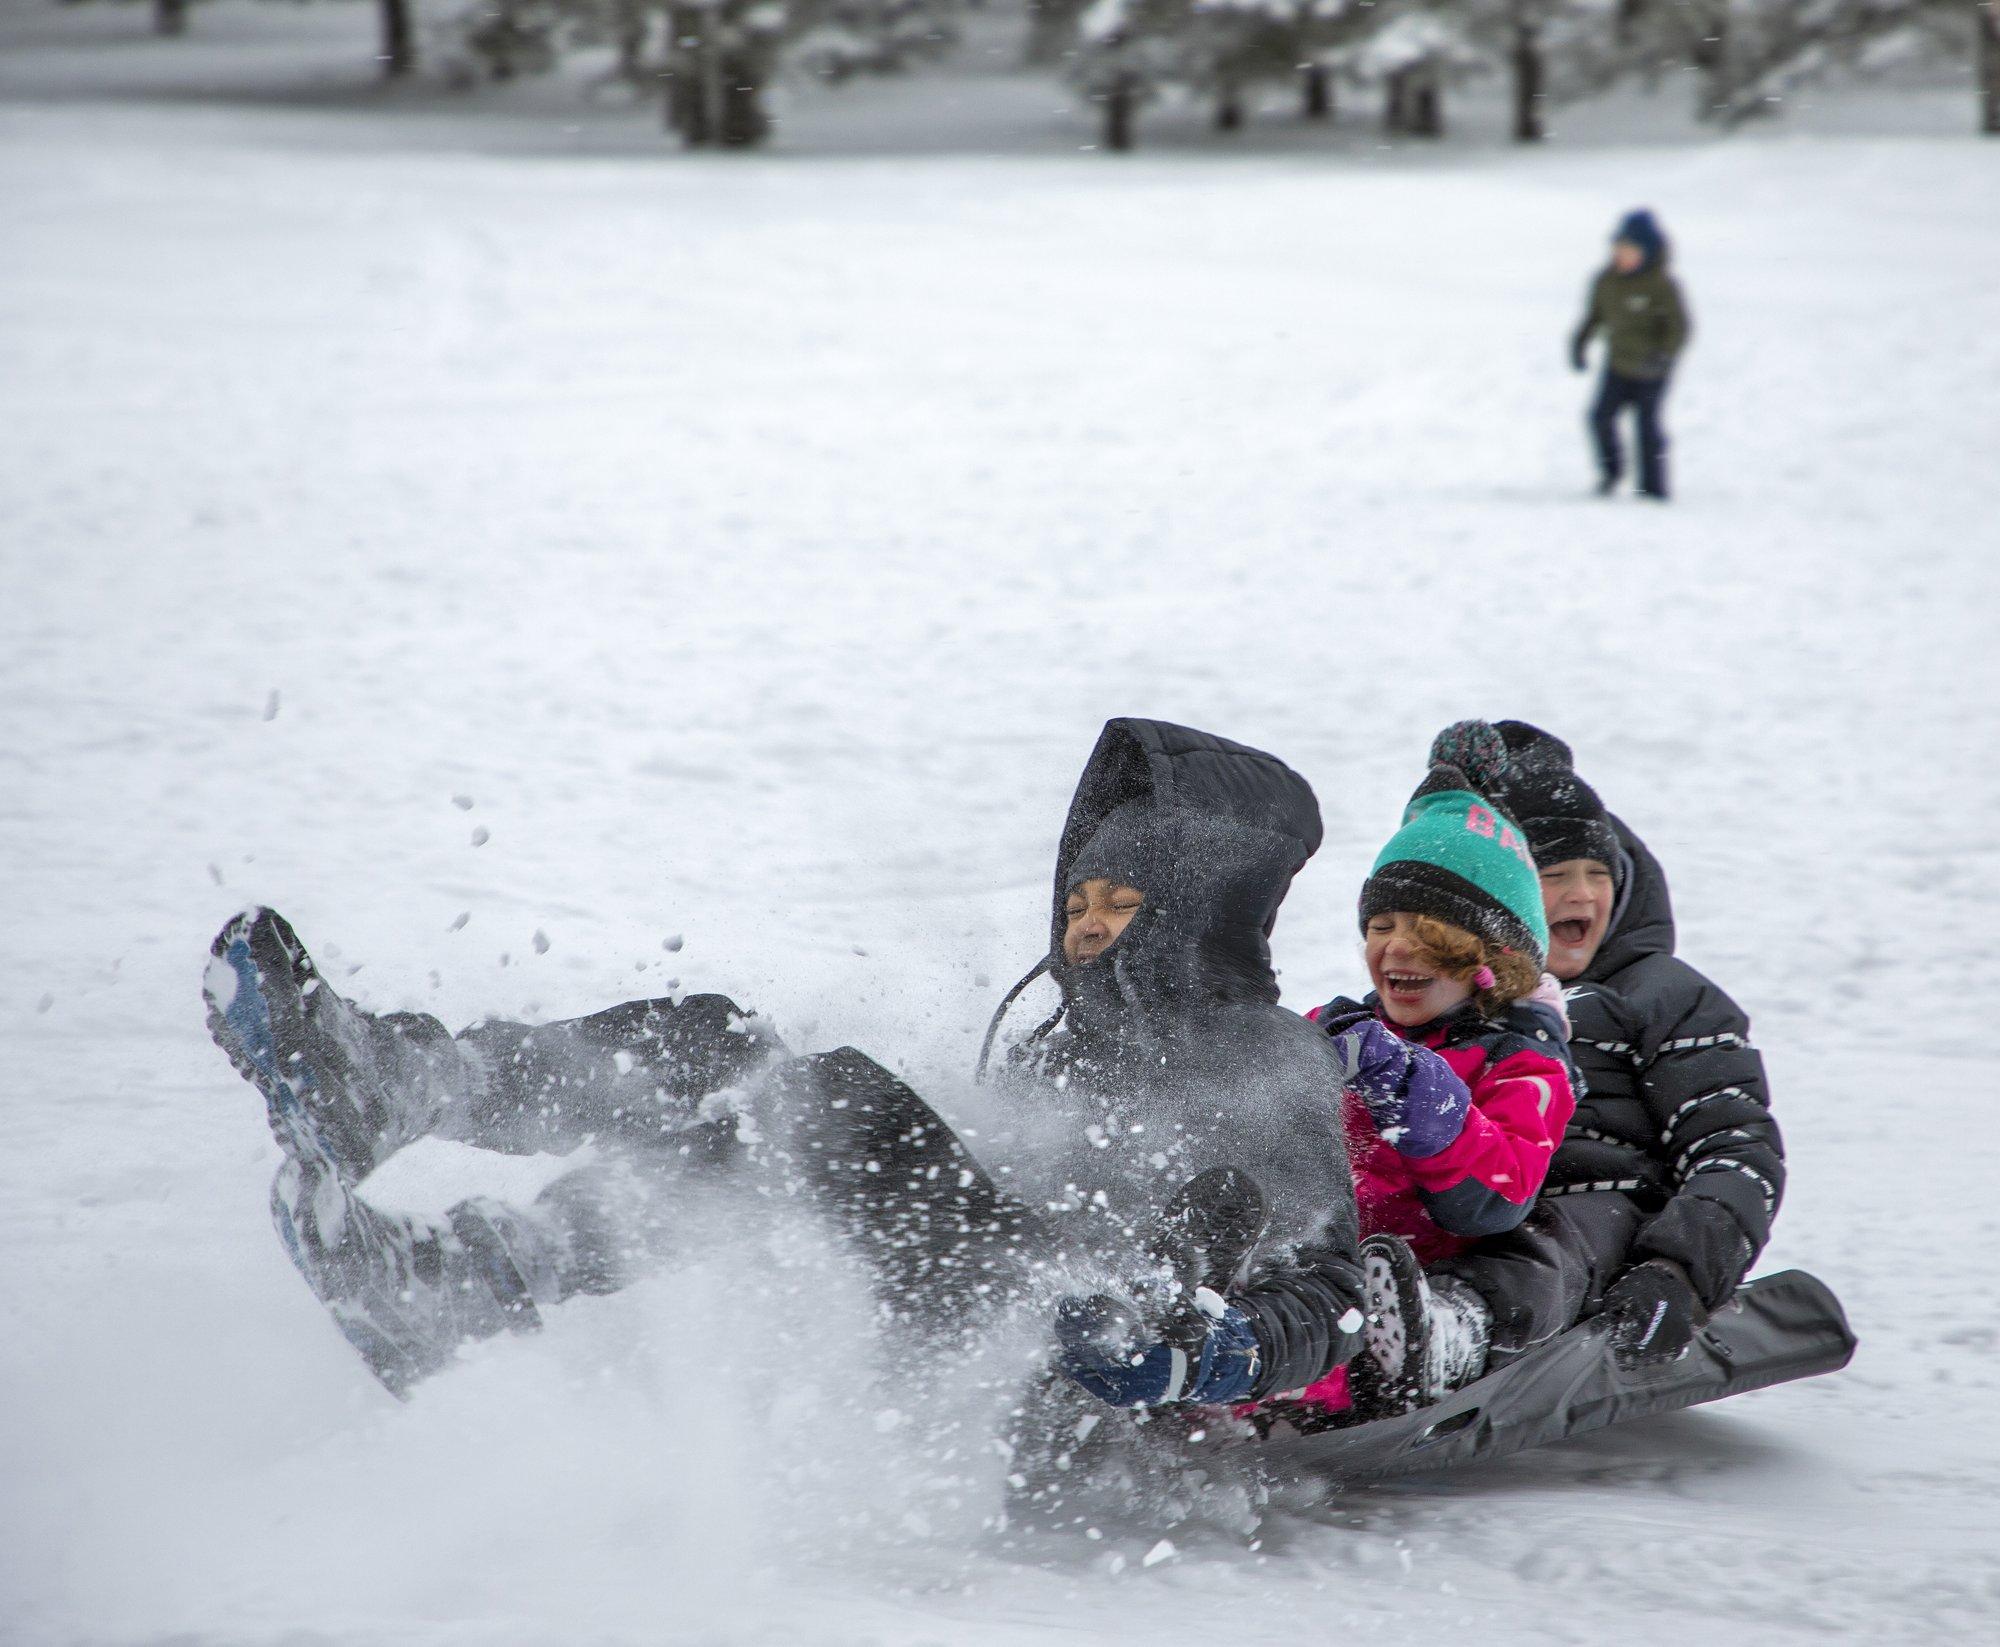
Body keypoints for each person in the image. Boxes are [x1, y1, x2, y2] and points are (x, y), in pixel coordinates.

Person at [205, 718, 1368, 1414]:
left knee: (834, 1101)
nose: (1085, 923)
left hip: (1063, 1373)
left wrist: (1203, 1351)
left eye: (1125, 899)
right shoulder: (1069, 1043)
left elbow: (1332, 1295)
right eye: (1080, 894)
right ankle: (405, 1088)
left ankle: (473, 1289)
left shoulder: (1259, 1058)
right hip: (975, 1301)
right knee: (719, 1038)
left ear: (1194, 908)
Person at [1415, 719, 1785, 1385]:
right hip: (1466, 1198)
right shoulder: (1447, 997)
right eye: (1553, 874)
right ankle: (1281, 1331)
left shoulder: (1664, 995)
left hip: (1600, 1220)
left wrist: (1675, 1270)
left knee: (1544, 1240)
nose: (1583, 894)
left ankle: (1453, 1328)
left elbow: (1735, 1149)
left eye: (1598, 872)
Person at [1256, 752, 1578, 1421]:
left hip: (1409, 1278)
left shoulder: (1522, 1065)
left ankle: (1406, 1349)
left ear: (1493, 957)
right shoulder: (1336, 1028)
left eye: (1427, 933)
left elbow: (1497, 1196)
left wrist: (1419, 1094)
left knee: (1354, 1314)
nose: (1396, 949)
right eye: (1381, 926)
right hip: (1305, 1249)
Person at [1570, 208, 1691, 500]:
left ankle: (1653, 487)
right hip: (1618, 365)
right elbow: (1595, 316)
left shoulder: (1662, 286)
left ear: (1647, 253)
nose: (1623, 256)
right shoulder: (1606, 281)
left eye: (1630, 250)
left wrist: (1665, 355)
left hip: (1652, 370)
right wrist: (1580, 343)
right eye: (1619, 249)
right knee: (1599, 418)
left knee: (1647, 428)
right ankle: (1611, 474)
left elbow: (1679, 327)